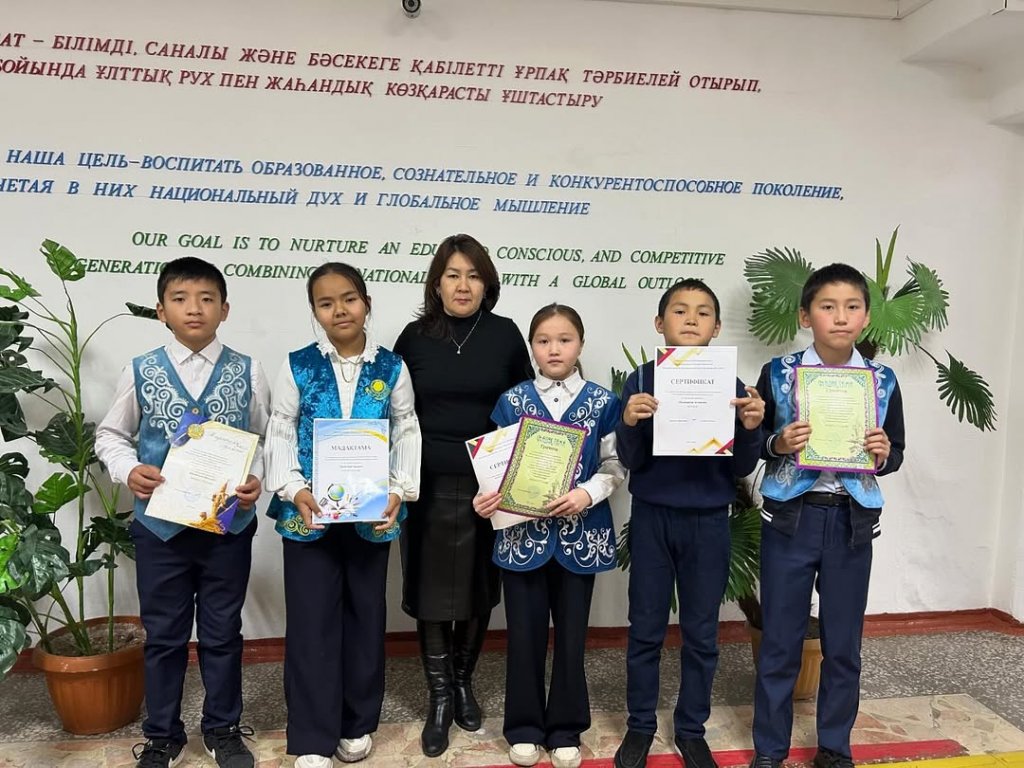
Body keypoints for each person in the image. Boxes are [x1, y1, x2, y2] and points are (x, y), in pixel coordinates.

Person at [95, 256, 271, 768]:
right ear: (161, 310)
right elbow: (110, 434)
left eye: (206, 298)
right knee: (165, 636)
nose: (194, 308)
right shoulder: (142, 370)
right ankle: (162, 736)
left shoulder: (248, 370)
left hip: (226, 528)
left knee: (222, 633)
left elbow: (263, 438)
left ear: (224, 309)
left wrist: (255, 477)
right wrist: (129, 469)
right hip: (159, 529)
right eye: (180, 299)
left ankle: (223, 729)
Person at [263, 263, 421, 768]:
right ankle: (312, 736)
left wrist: (398, 490)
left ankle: (356, 724)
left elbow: (406, 428)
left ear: (366, 303)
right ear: (314, 311)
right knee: (312, 624)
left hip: (371, 515)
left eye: (349, 299)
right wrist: (294, 488)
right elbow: (281, 428)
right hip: (308, 515)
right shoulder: (298, 365)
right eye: (326, 303)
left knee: (365, 618)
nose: (339, 310)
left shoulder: (391, 367)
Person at [749, 264, 905, 768]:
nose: (840, 317)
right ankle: (770, 751)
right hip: (790, 520)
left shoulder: (882, 380)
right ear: (805, 316)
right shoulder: (778, 373)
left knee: (843, 645)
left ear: (866, 317)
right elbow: (755, 441)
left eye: (852, 307)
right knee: (779, 642)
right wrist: (777, 442)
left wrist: (883, 453)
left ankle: (835, 749)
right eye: (828, 306)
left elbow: (896, 451)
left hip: (850, 523)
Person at [613, 279, 766, 768]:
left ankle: (691, 729)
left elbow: (742, 467)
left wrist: (750, 428)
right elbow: (631, 460)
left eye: (703, 312)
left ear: (716, 327)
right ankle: (640, 725)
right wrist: (629, 423)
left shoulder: (733, 387)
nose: (692, 319)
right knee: (646, 628)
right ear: (660, 323)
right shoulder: (641, 380)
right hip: (653, 518)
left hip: (709, 522)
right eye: (680, 311)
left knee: (702, 633)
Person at [394, 233, 534, 757]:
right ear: (436, 283)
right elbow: (395, 413)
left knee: (478, 590)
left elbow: (526, 405)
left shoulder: (505, 334)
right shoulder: (413, 337)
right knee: (431, 593)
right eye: (452, 275)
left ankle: (462, 683)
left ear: (486, 284)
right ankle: (438, 698)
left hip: (488, 489)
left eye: (473, 276)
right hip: (426, 485)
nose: (463, 285)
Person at [473, 303, 625, 768]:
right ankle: (523, 727)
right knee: (523, 636)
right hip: (523, 538)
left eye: (564, 339)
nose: (554, 349)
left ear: (580, 344)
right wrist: (485, 497)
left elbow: (615, 465)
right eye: (543, 341)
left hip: (581, 535)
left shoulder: (603, 402)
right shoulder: (512, 402)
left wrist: (586, 493)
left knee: (573, 637)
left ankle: (565, 728)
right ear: (532, 347)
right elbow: (495, 468)